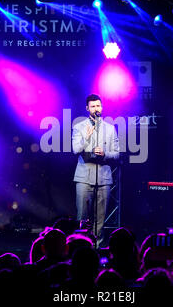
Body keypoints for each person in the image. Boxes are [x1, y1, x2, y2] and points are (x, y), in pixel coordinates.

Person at [72, 94, 119, 247]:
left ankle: (97, 248)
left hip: (103, 178)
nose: (96, 108)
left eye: (98, 105)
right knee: (83, 217)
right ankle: (81, 247)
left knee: (100, 218)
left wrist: (105, 153)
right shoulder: (79, 127)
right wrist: (87, 136)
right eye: (92, 106)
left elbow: (117, 153)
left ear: (102, 107)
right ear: (87, 109)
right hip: (84, 177)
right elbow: (75, 150)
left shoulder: (110, 129)